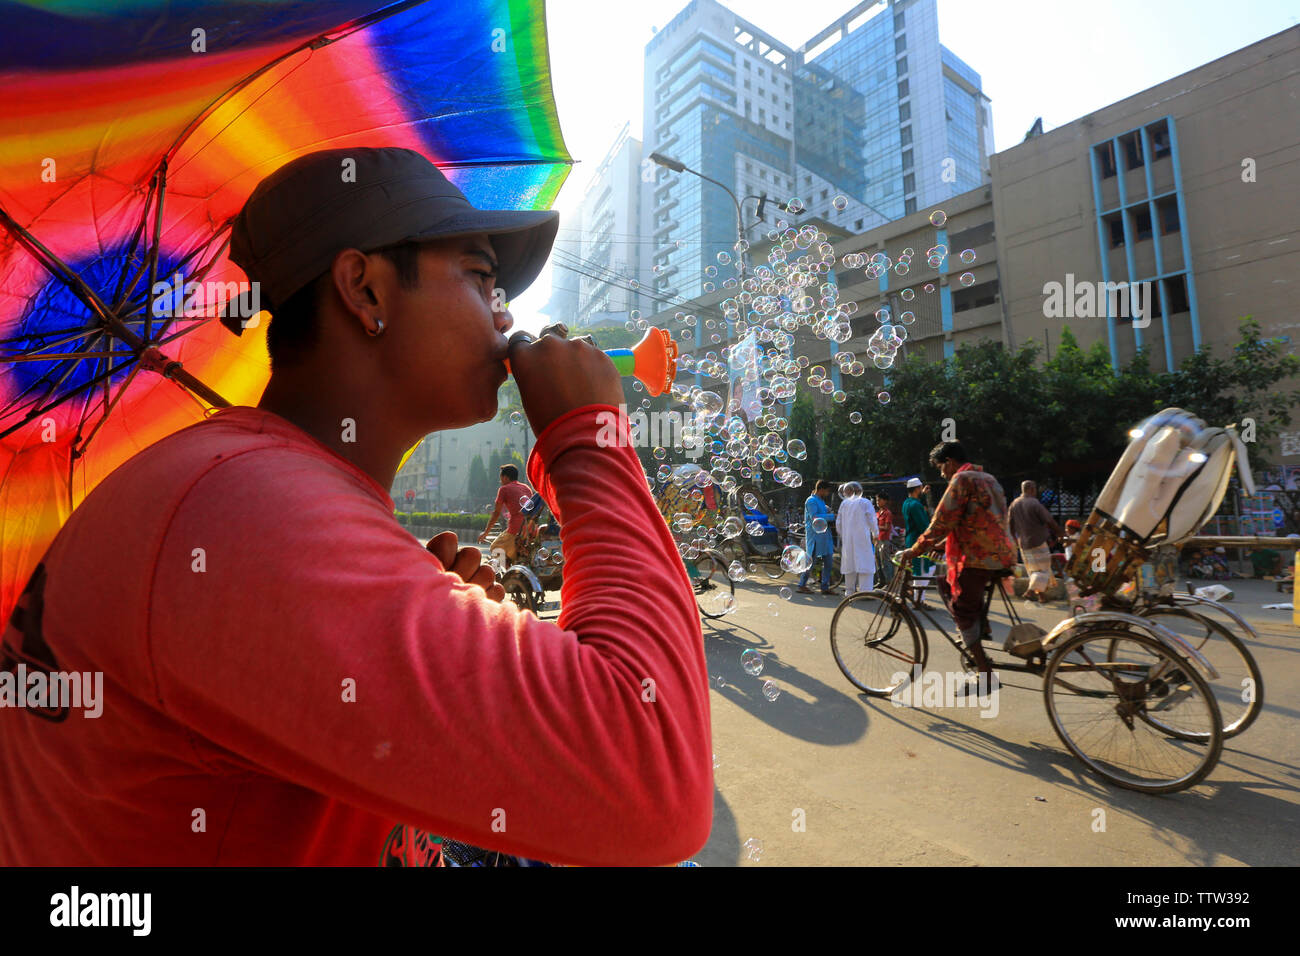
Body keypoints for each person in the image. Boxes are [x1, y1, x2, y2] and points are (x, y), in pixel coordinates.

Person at [0, 147, 712, 866]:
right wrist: (587, 439)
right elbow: (653, 776)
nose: (506, 316)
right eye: (481, 276)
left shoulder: (253, 491)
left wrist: (429, 630)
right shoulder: (247, 514)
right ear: (364, 291)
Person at [898, 441, 1016, 692]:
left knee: (962, 608)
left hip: (978, 555)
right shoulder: (988, 478)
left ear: (950, 462)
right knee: (943, 579)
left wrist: (916, 549)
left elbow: (942, 521)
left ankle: (985, 675)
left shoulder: (962, 480)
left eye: (941, 468)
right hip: (1000, 551)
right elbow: (975, 518)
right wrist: (941, 545)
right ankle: (975, 631)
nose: (942, 474)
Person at [1007, 480, 1062, 603]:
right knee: (1043, 570)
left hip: (1023, 544)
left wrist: (1015, 539)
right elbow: (1049, 520)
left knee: (1033, 570)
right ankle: (1030, 591)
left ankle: (1041, 596)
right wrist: (1060, 533)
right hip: (1038, 542)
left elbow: (1010, 525)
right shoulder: (1034, 503)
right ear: (1031, 489)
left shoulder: (1014, 504)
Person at [478, 463, 532, 564]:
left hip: (515, 530)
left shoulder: (504, 489)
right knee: (510, 552)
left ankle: (502, 573)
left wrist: (486, 533)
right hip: (530, 529)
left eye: (501, 478)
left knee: (495, 547)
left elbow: (496, 513)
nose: (500, 481)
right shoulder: (526, 488)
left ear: (505, 477)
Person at [836, 482, 878, 595]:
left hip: (848, 540)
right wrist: (875, 534)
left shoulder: (844, 504)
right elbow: (872, 520)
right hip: (862, 539)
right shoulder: (865, 502)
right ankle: (865, 591)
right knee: (865, 563)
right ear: (859, 491)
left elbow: (838, 524)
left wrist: (843, 535)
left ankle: (849, 591)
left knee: (849, 565)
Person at [797, 479, 837, 594]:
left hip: (825, 536)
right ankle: (802, 584)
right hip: (815, 536)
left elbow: (822, 514)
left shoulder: (820, 501)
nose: (828, 493)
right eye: (827, 491)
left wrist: (829, 513)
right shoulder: (811, 501)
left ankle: (825, 587)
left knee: (829, 562)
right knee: (811, 561)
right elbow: (815, 517)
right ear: (821, 490)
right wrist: (832, 516)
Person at [901, 477, 931, 578]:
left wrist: (922, 495)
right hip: (918, 541)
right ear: (916, 489)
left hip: (910, 540)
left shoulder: (906, 503)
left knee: (916, 573)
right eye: (920, 488)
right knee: (922, 574)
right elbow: (923, 526)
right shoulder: (915, 505)